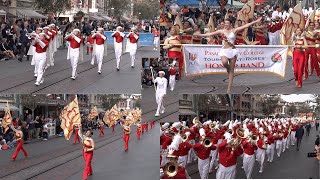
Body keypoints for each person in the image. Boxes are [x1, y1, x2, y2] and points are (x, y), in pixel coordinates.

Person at [194, 17, 262, 93]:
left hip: (232, 50)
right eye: (225, 23)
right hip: (224, 50)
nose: (225, 25)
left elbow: (246, 26)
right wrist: (200, 35)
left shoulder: (234, 30)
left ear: (230, 24)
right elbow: (210, 34)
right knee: (224, 62)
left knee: (232, 70)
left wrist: (255, 21)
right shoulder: (221, 31)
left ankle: (229, 89)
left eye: (227, 23)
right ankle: (227, 69)